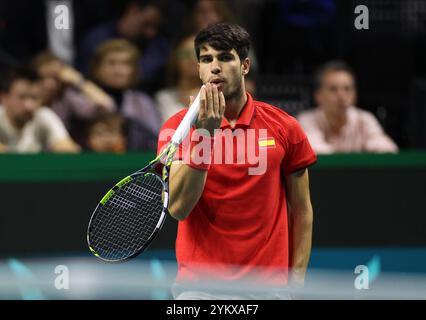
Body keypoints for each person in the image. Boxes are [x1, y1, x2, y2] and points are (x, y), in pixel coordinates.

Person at [157, 23, 317, 299]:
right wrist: (205, 134)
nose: (215, 67)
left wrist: (296, 282)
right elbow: (179, 208)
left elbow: (302, 210)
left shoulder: (284, 127)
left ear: (244, 66)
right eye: (206, 59)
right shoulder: (176, 129)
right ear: (198, 69)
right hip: (200, 289)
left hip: (269, 288)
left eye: (225, 57)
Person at [297, 61, 399, 154]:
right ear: (318, 95)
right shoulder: (306, 120)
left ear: (354, 95)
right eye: (333, 89)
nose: (341, 95)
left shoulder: (365, 119)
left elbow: (388, 150)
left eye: (347, 89)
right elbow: (315, 150)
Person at [76, 0, 169, 93]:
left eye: (156, 27)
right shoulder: (97, 38)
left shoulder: (157, 46)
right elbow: (82, 75)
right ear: (133, 11)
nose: (151, 33)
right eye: (146, 24)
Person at [90, 39, 161, 151]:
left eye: (125, 64)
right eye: (111, 63)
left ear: (134, 70)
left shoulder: (142, 102)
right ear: (97, 68)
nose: (119, 70)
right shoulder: (82, 98)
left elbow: (156, 141)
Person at [32, 51, 114, 146]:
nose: (50, 85)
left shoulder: (65, 97)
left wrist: (77, 80)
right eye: (42, 78)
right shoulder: (24, 96)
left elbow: (107, 105)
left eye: (56, 78)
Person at [0, 68, 79, 153]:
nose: (28, 106)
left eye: (34, 98)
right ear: (4, 98)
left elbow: (69, 150)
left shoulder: (43, 115)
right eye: (22, 97)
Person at [155, 34, 201, 124]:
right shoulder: (162, 98)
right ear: (175, 59)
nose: (192, 59)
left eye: (197, 54)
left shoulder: (215, 97)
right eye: (186, 54)